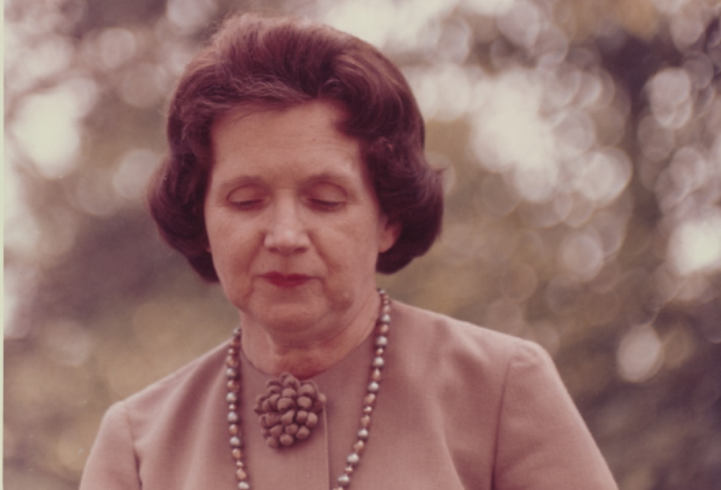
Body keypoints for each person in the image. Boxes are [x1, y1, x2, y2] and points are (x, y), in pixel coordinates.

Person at [80, 13, 618, 490]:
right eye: (246, 201)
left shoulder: (501, 388)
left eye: (326, 200)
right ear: (201, 217)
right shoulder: (137, 444)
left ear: (388, 217)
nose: (285, 235)